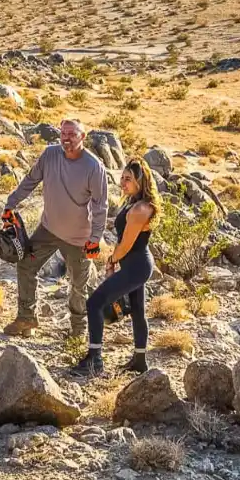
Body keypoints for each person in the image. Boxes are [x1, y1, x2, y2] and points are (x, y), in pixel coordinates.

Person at [0, 119, 109, 338]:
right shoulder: (50, 155)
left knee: (78, 285)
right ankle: (26, 318)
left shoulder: (94, 167)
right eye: (63, 133)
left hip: (79, 238)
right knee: (25, 266)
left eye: (72, 134)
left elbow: (100, 206)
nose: (66, 138)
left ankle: (78, 331)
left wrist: (95, 239)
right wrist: (10, 204)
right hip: (48, 230)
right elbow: (30, 181)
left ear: (82, 137)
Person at [71, 160, 160, 378]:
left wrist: (112, 260)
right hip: (134, 264)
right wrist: (117, 259)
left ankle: (95, 359)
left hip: (137, 265)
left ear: (140, 181)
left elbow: (126, 244)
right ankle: (140, 361)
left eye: (128, 178)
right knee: (138, 310)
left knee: (94, 303)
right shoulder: (133, 203)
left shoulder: (141, 209)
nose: (122, 182)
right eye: (122, 177)